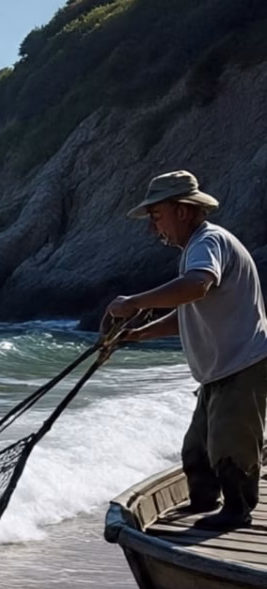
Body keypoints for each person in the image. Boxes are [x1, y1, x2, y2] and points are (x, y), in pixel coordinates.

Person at [105, 170, 267, 531]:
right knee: (196, 451)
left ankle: (237, 511)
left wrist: (133, 302)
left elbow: (196, 287)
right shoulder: (198, 248)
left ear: (182, 211)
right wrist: (138, 334)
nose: (153, 228)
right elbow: (189, 313)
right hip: (219, 369)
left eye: (156, 216)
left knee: (231, 447)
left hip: (242, 363)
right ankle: (205, 502)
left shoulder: (207, 242)